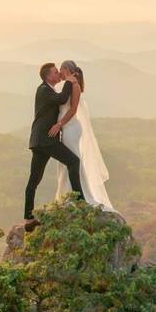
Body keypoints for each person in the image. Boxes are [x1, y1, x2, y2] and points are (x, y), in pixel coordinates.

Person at [24, 62, 84, 231]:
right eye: (56, 72)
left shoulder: (47, 90)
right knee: (73, 161)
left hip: (40, 141)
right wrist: (69, 81)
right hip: (46, 140)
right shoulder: (44, 90)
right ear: (48, 76)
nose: (59, 74)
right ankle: (80, 202)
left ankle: (29, 219)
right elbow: (62, 99)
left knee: (34, 179)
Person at [52, 60, 115, 212]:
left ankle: (76, 196)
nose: (59, 71)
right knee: (69, 161)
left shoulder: (74, 85)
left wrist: (59, 124)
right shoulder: (69, 84)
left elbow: (73, 110)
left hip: (70, 128)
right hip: (67, 127)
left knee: (71, 161)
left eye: (60, 68)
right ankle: (68, 195)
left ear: (65, 69)